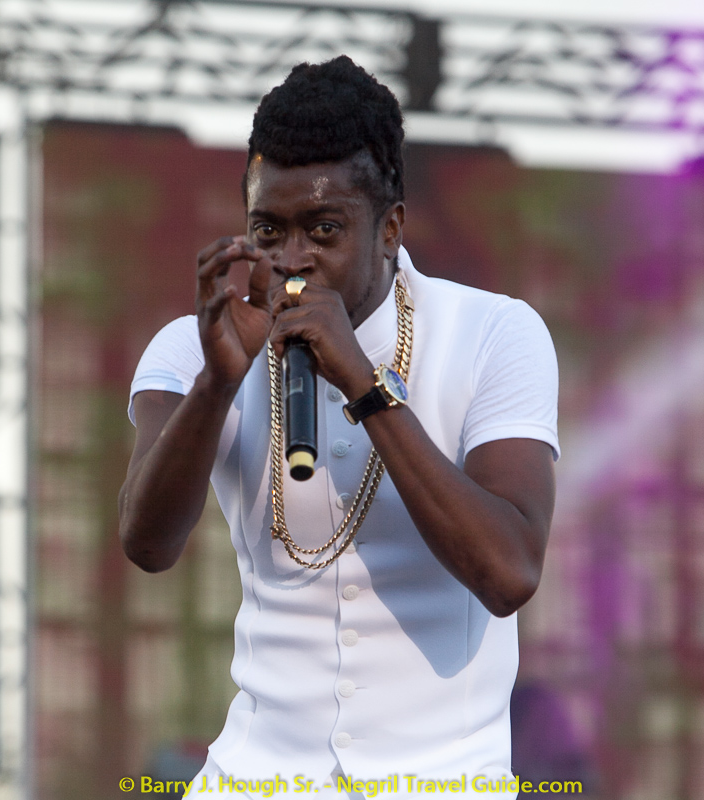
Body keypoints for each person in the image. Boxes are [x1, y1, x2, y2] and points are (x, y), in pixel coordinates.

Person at [118, 56, 559, 799]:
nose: (293, 260)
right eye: (268, 230)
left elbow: (508, 573)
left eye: (324, 229)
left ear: (389, 229)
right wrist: (217, 383)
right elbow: (147, 544)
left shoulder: (494, 333)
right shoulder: (193, 349)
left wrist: (362, 380)